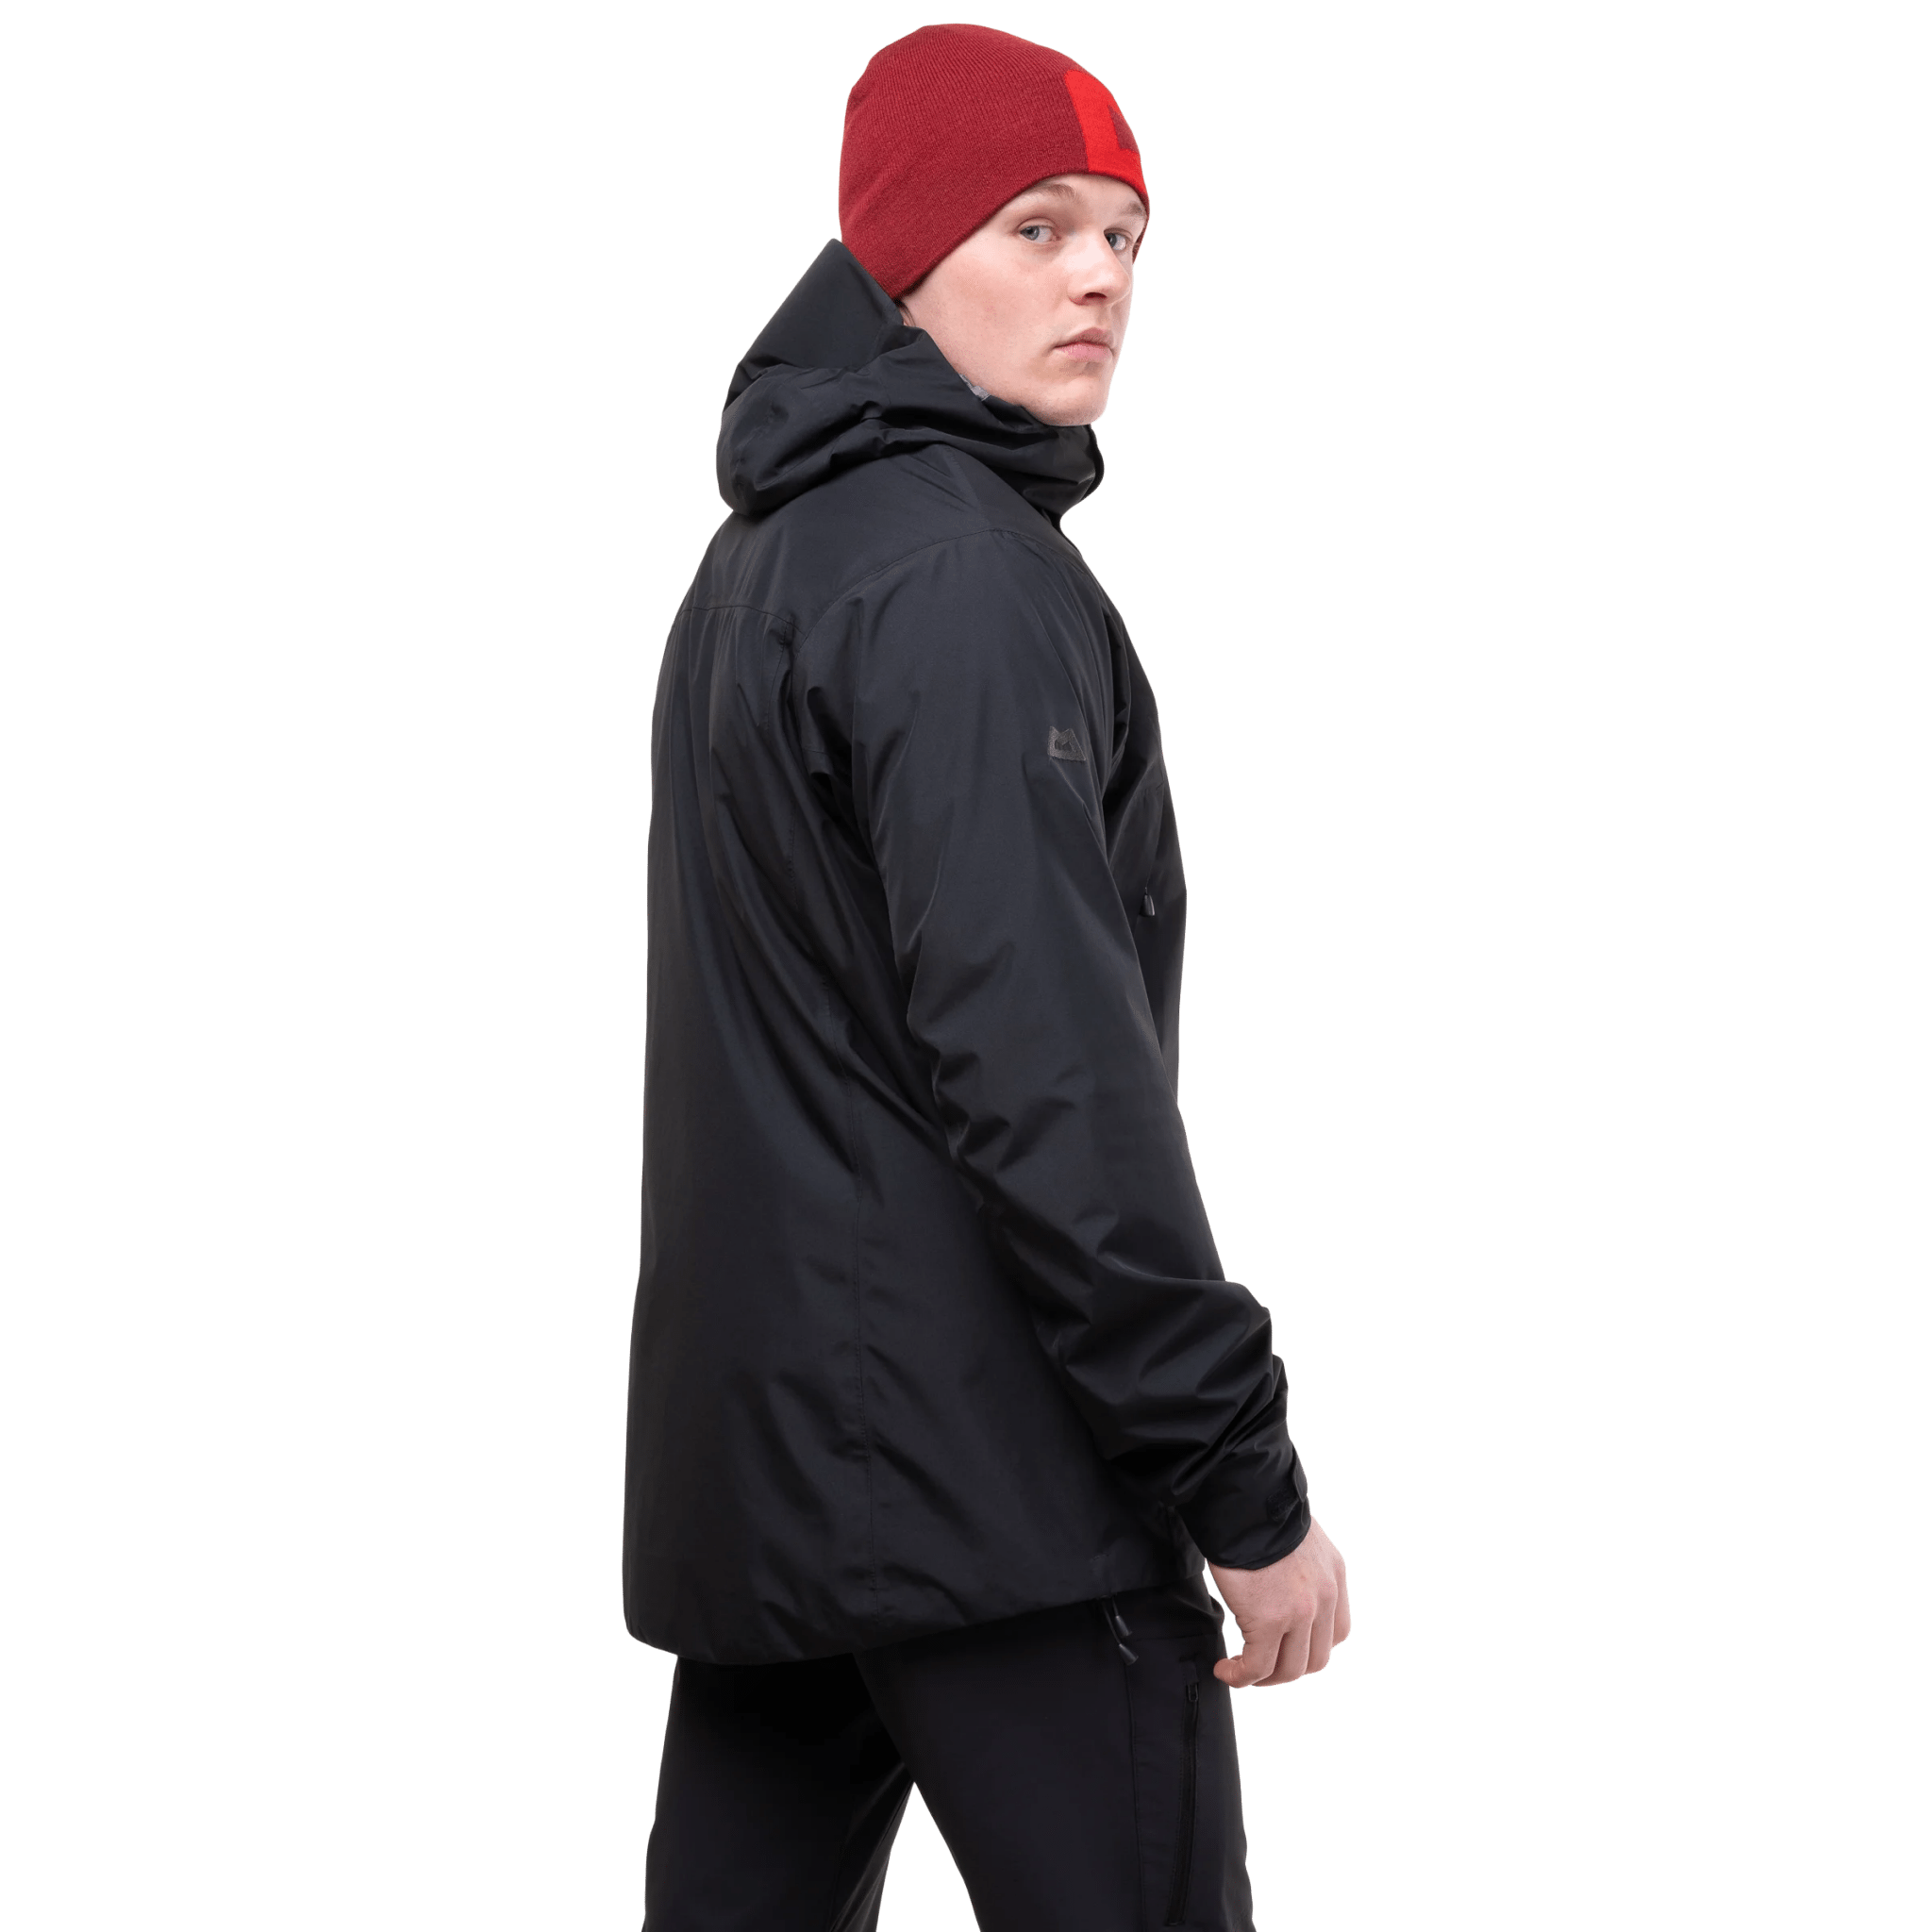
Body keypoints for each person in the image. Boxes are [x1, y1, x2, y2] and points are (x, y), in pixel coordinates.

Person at [620, 23, 1351, 1930]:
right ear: (901, 254)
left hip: (774, 1487)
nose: (1099, 276)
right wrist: (1239, 1480)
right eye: (1036, 227)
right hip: (997, 1499)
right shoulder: (961, 582)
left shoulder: (764, 563)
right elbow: (1044, 1076)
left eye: (1125, 236)